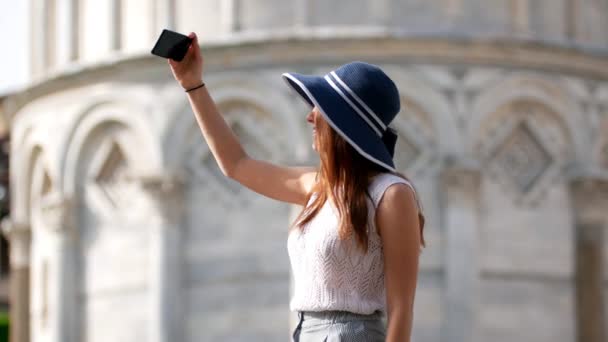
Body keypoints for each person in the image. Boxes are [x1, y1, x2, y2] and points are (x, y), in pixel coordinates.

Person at [169, 32, 425, 342]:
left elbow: (402, 308)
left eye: (320, 108)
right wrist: (192, 84)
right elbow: (235, 164)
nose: (310, 116)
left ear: (343, 125)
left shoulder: (392, 194)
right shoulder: (317, 187)